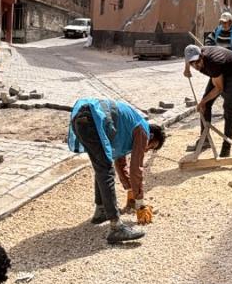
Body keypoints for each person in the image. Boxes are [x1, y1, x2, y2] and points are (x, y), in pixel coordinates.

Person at [68, 98, 167, 243]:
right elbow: (136, 168)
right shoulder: (142, 130)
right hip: (92, 120)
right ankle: (116, 227)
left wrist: (131, 191)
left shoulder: (127, 129)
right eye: (151, 146)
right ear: (151, 136)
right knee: (105, 170)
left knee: (101, 166)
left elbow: (120, 163)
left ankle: (101, 211)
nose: (147, 149)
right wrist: (140, 203)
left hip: (82, 120)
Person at [184, 44, 232, 157]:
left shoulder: (213, 64)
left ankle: (226, 148)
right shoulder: (192, 55)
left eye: (197, 61)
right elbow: (187, 59)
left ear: (202, 56)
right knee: (206, 104)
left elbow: (219, 88)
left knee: (228, 109)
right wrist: (186, 69)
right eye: (192, 63)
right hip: (219, 71)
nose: (196, 65)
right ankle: (205, 140)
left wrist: (202, 102)